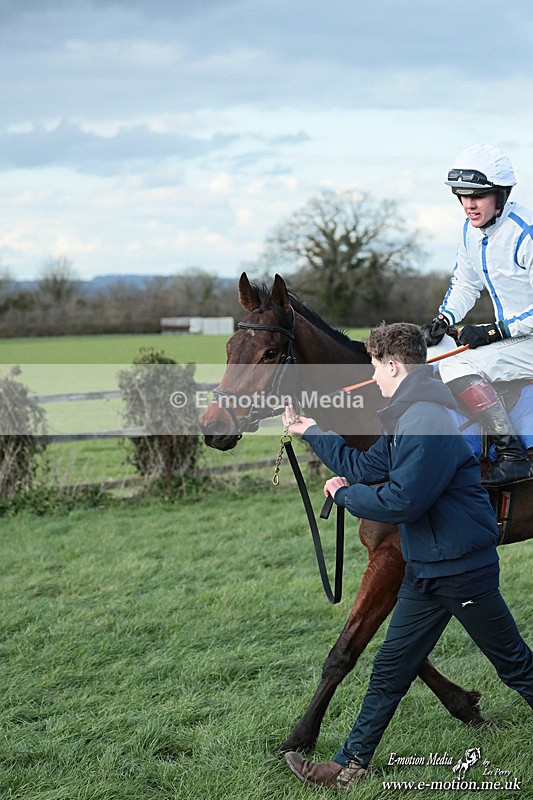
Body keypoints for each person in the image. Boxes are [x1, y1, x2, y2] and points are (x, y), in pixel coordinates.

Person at [281, 322, 533, 791]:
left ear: (393, 365)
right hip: (425, 569)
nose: (373, 376)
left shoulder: (427, 421)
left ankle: (347, 764)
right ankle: (347, 767)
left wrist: (346, 497)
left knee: (516, 666)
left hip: (461, 573)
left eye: (376, 366)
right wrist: (311, 430)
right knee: (389, 671)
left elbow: (403, 502)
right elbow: (363, 467)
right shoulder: (405, 416)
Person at [426, 143, 533, 487]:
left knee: (457, 365)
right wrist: (443, 320)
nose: (469, 205)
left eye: (479, 196)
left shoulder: (525, 233)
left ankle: (515, 456)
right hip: (515, 339)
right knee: (429, 355)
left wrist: (494, 331)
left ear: (500, 194)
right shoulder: (470, 231)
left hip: (524, 339)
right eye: (462, 196)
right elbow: (465, 284)